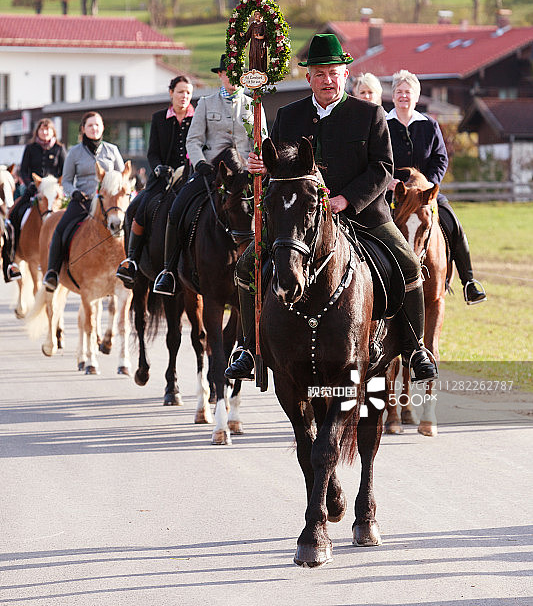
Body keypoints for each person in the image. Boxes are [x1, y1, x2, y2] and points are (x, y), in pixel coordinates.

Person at [226, 33, 438, 383]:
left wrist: (346, 199)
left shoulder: (369, 114)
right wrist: (262, 166)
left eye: (334, 72)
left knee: (409, 263)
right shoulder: (288, 116)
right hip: (298, 219)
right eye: (320, 73)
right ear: (308, 77)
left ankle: (415, 349)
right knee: (247, 266)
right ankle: (249, 347)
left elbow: (383, 167)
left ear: (345, 74)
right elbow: (277, 164)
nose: (327, 80)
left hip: (363, 214)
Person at [153, 54, 266, 296]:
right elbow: (194, 140)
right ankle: (168, 271)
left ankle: (272, 269)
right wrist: (200, 162)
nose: (233, 78)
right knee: (176, 210)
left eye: (238, 74)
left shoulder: (254, 104)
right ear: (221, 75)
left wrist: (257, 164)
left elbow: (263, 140)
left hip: (246, 174)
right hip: (211, 172)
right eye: (229, 73)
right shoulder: (205, 103)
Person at [386, 70, 487, 305]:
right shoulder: (383, 124)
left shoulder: (429, 125)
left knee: (453, 223)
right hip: (393, 194)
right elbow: (377, 158)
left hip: (426, 195)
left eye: (407, 92)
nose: (403, 96)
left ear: (417, 96)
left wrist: (428, 185)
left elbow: (441, 158)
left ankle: (469, 281)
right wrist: (388, 181)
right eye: (399, 92)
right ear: (392, 96)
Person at [116, 75, 195, 288]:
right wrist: (159, 167)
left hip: (190, 176)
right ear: (171, 93)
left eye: (188, 92)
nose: (184, 96)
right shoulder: (159, 118)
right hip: (163, 177)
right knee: (137, 207)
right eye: (180, 92)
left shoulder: (197, 117)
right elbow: (152, 153)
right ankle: (131, 259)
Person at [42, 112, 125, 292]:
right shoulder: (74, 152)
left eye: (97, 125)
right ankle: (53, 272)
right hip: (83, 201)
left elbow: (122, 177)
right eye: (90, 125)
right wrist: (74, 193)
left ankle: (131, 268)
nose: (94, 129)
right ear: (83, 129)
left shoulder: (113, 151)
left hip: (108, 204)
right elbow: (66, 181)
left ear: (103, 127)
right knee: (60, 229)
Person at [3, 118, 66, 282]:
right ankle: (11, 259)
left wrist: (59, 186)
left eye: (48, 130)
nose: (45, 133)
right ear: (37, 132)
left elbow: (64, 172)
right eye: (42, 130)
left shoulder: (60, 149)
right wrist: (30, 184)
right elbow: (24, 170)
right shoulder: (30, 148)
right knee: (14, 213)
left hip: (54, 192)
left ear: (53, 132)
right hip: (34, 190)